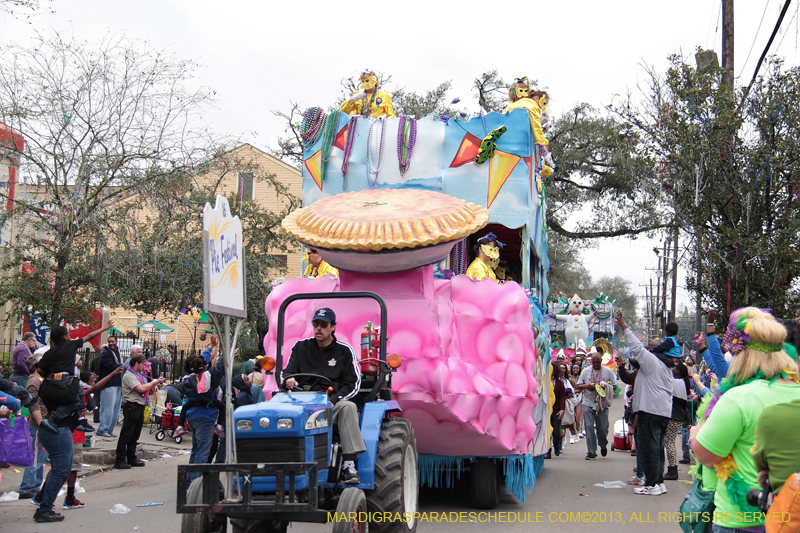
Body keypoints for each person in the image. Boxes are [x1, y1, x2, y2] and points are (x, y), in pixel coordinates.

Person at [691, 307, 800, 532]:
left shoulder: (738, 398)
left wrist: (696, 431)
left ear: (742, 355)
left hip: (741, 520)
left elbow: (707, 456)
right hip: (790, 518)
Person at [282, 308, 364, 484]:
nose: (319, 328)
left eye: (324, 325)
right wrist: (289, 379)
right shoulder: (300, 347)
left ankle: (349, 464)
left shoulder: (344, 351)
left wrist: (335, 400)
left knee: (348, 407)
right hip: (302, 401)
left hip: (331, 402)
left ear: (333, 327)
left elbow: (353, 383)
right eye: (316, 324)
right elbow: (288, 372)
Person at [615, 309, 674, 496]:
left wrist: (624, 327)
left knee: (650, 449)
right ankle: (659, 483)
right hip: (662, 413)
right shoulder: (664, 369)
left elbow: (637, 348)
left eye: (651, 348)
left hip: (651, 413)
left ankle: (652, 484)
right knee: (657, 449)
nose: (647, 350)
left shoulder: (653, 363)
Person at [38, 322, 113, 433]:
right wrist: (105, 328)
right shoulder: (70, 345)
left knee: (80, 393)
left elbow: (40, 369)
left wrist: (48, 377)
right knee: (75, 400)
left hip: (53, 379)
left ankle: (80, 419)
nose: (70, 336)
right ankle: (53, 417)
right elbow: (89, 336)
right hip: (66, 378)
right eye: (68, 334)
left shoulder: (50, 352)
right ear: (64, 337)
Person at [180, 350, 226, 488]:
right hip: (205, 417)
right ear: (204, 367)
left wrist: (209, 349)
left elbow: (201, 363)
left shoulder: (188, 379)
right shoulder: (208, 378)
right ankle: (195, 485)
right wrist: (225, 353)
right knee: (202, 452)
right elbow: (220, 368)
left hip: (192, 416)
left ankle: (189, 482)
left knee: (196, 450)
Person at [115, 349, 164, 469]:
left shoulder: (138, 375)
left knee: (135, 434)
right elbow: (140, 389)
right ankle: (120, 459)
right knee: (127, 433)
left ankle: (131, 458)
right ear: (136, 364)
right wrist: (154, 382)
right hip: (132, 405)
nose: (144, 367)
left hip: (139, 405)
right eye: (142, 364)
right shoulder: (129, 375)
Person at [575, 350, 616, 460]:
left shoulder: (608, 372)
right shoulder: (585, 372)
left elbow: (615, 387)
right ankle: (591, 452)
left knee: (602, 428)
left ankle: (603, 444)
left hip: (602, 404)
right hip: (588, 403)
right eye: (594, 363)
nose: (596, 365)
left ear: (601, 361)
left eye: (598, 363)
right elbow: (578, 386)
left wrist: (606, 386)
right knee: (588, 427)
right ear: (591, 362)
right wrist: (587, 386)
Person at [663, 362, 691, 480]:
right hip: (679, 417)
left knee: (669, 442)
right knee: (670, 442)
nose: (672, 369)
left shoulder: (676, 383)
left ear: (678, 371)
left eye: (674, 367)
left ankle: (672, 468)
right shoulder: (684, 383)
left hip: (674, 417)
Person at [96, 335, 125, 437]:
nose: (111, 343)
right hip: (108, 384)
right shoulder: (106, 353)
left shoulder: (118, 352)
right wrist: (121, 367)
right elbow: (110, 366)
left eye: (113, 341)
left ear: (116, 342)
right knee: (108, 408)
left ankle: (109, 429)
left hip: (117, 383)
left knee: (116, 409)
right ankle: (102, 429)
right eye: (109, 342)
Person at [546, 362, 566, 458]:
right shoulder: (544, 381)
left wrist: (562, 410)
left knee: (556, 432)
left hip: (556, 409)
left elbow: (562, 397)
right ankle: (548, 451)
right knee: (547, 431)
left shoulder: (560, 383)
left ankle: (557, 446)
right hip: (546, 410)